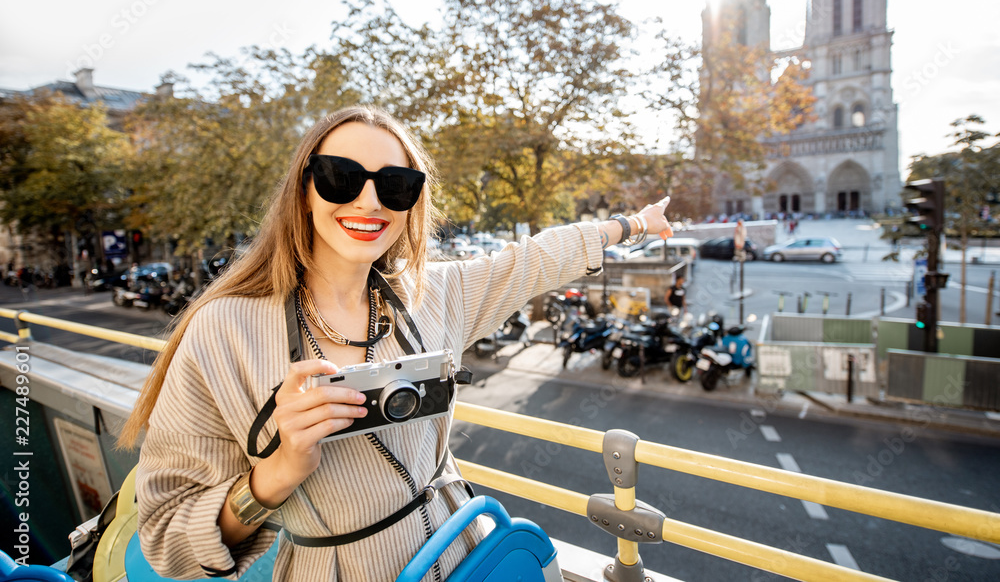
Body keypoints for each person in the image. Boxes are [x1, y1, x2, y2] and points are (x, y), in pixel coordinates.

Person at [119, 106, 672, 581]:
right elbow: (167, 537)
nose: (369, 203)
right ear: (303, 189)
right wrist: (274, 476)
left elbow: (531, 260)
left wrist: (634, 224)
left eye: (395, 185)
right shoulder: (223, 329)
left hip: (469, 553)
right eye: (341, 177)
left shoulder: (431, 293)